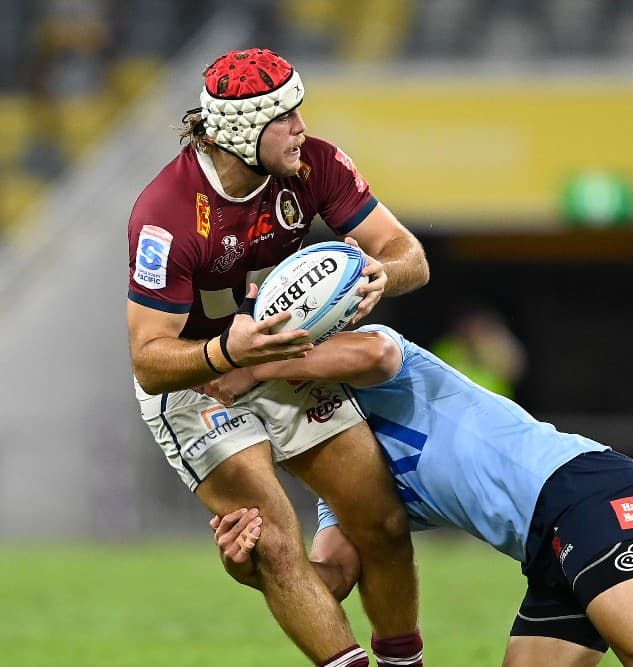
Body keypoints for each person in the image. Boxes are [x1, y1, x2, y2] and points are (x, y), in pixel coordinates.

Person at [203, 325, 633, 667]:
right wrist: (262, 569)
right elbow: (336, 577)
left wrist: (258, 364)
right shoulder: (339, 482)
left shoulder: (367, 367)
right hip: (546, 544)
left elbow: (378, 349)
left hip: (581, 491)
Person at [126, 48, 429, 667]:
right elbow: (149, 362)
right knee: (276, 543)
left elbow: (408, 255)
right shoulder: (166, 214)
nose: (301, 127)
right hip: (197, 383)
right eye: (284, 117)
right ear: (241, 130)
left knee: (384, 527)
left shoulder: (316, 163)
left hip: (284, 359)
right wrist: (222, 350)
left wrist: (382, 274)